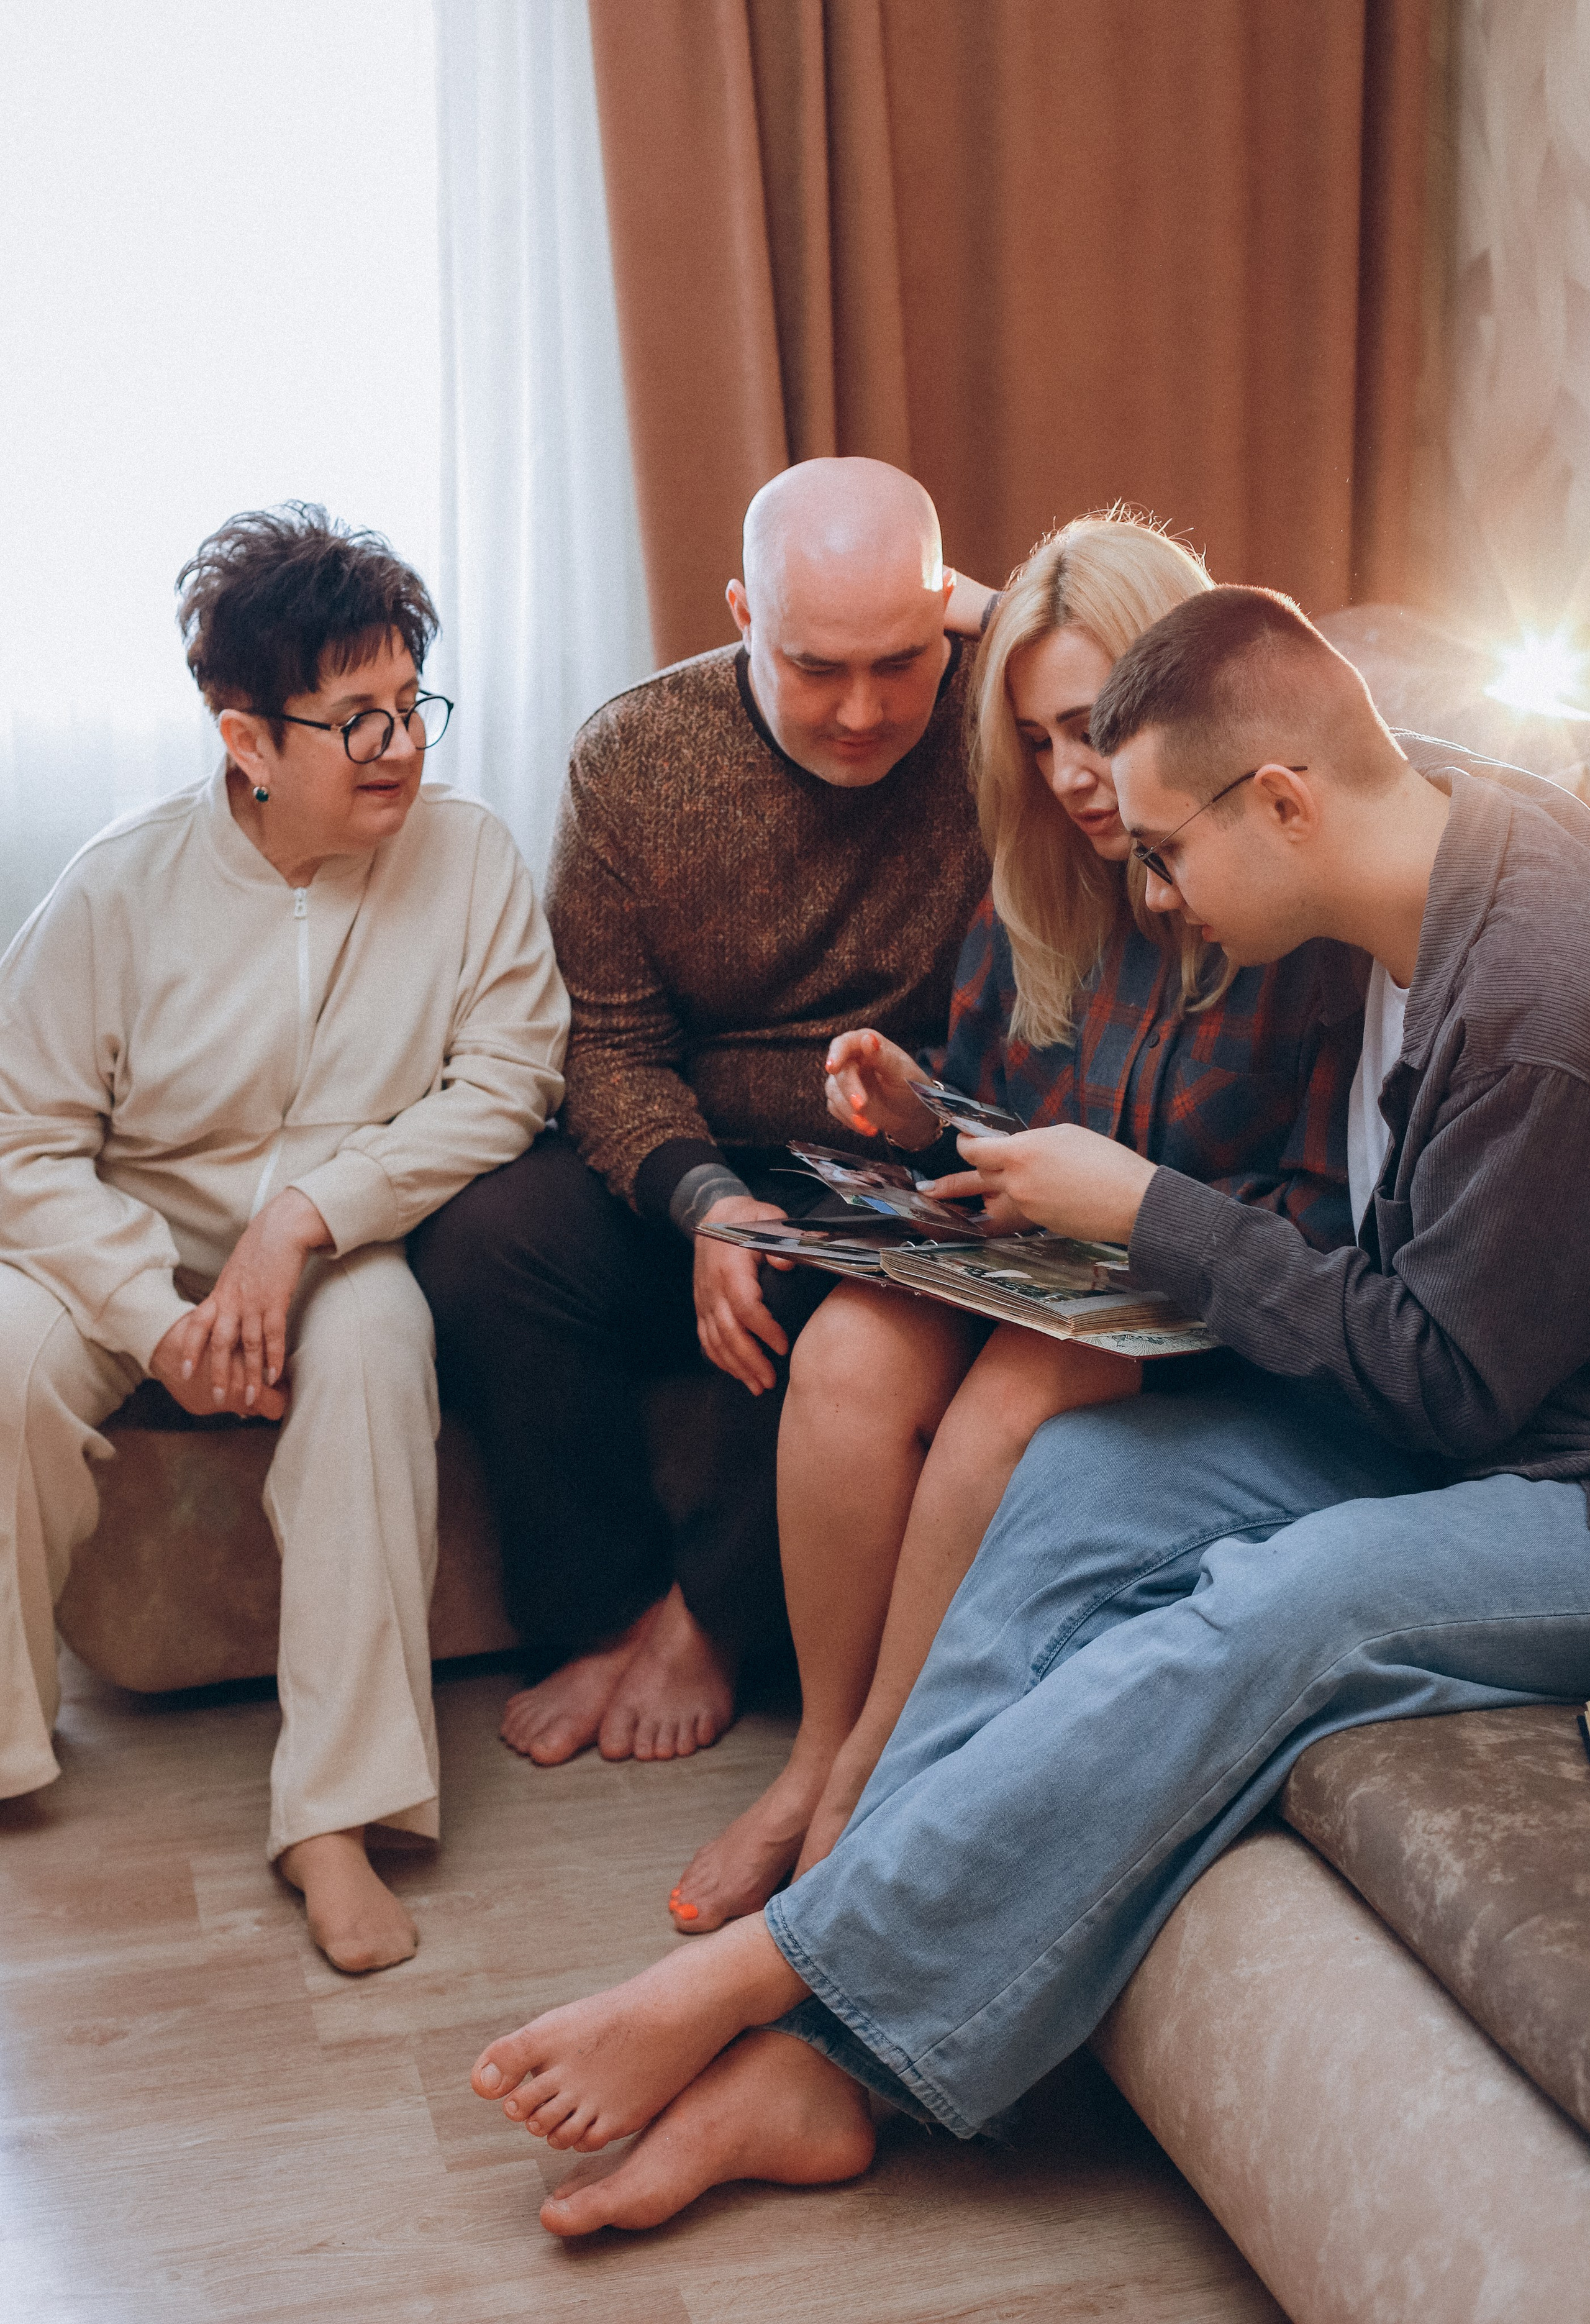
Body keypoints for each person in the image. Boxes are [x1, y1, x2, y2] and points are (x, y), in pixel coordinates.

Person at [466, 584, 1590, 2235]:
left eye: (1165, 851)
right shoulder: (1398, 809)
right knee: (1071, 1490)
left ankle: (776, 1984)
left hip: (1536, 1464)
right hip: (1450, 1392)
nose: (1156, 891)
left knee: (1273, 1610)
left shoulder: (1537, 1005)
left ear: (1280, 804)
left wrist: (1146, 1207)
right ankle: (833, 2046)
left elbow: (1444, 1388)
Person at [667, 516, 1361, 1931]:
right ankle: (808, 1755)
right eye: (1038, 739)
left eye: (1090, 732)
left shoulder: (1292, 896)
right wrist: (925, 1115)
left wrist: (1142, 1215)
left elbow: (1325, 1209)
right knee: (851, 1346)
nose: (1068, 777)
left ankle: (867, 1778)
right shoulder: (1044, 872)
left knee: (1016, 1386)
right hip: (1053, 1264)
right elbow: (1006, 1107)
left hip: (1213, 1293)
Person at [0, 506, 568, 1972]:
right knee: (7, 1360)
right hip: (129, 1224)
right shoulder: (118, 888)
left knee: (379, 1349)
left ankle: (338, 1813)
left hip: (339, 1234)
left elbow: (509, 1083)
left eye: (411, 707)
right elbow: (25, 1145)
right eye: (353, 720)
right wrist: (153, 1313)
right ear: (242, 734)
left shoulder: (471, 858)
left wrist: (311, 1219)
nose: (397, 748)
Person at [409, 458, 989, 1769]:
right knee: (486, 1237)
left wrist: (985, 618)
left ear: (949, 613)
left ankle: (708, 1620)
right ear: (740, 614)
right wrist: (699, 1198)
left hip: (897, 1159)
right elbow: (605, 1041)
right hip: (688, 1150)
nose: (859, 711)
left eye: (901, 659)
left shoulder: (1000, 719)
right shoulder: (635, 752)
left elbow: (1148, 661)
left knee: (807, 1270)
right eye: (813, 665)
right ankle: (605, 1612)